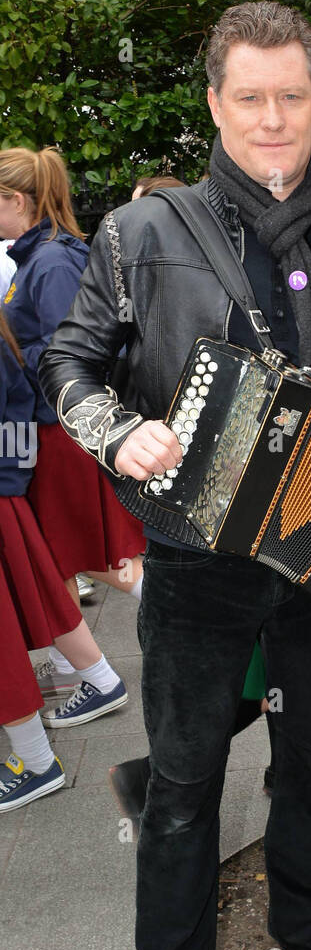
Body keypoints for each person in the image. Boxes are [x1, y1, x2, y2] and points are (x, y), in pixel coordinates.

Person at [41, 1, 311, 950]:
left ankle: (307, 921)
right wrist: (118, 430)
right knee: (187, 785)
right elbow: (68, 363)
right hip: (194, 564)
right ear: (215, 103)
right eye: (252, 97)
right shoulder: (137, 234)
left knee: (309, 765)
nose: (275, 118)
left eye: (294, 95)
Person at [0, 147, 145, 711]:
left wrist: (11, 355)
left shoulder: (52, 260)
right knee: (65, 551)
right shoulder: (40, 256)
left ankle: (100, 670)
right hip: (43, 428)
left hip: (57, 429)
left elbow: (75, 354)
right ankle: (80, 670)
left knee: (75, 550)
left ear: (17, 200)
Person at [0, 311, 127, 811]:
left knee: (26, 617)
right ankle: (96, 682)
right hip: (9, 492)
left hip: (11, 488)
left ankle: (35, 761)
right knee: (46, 598)